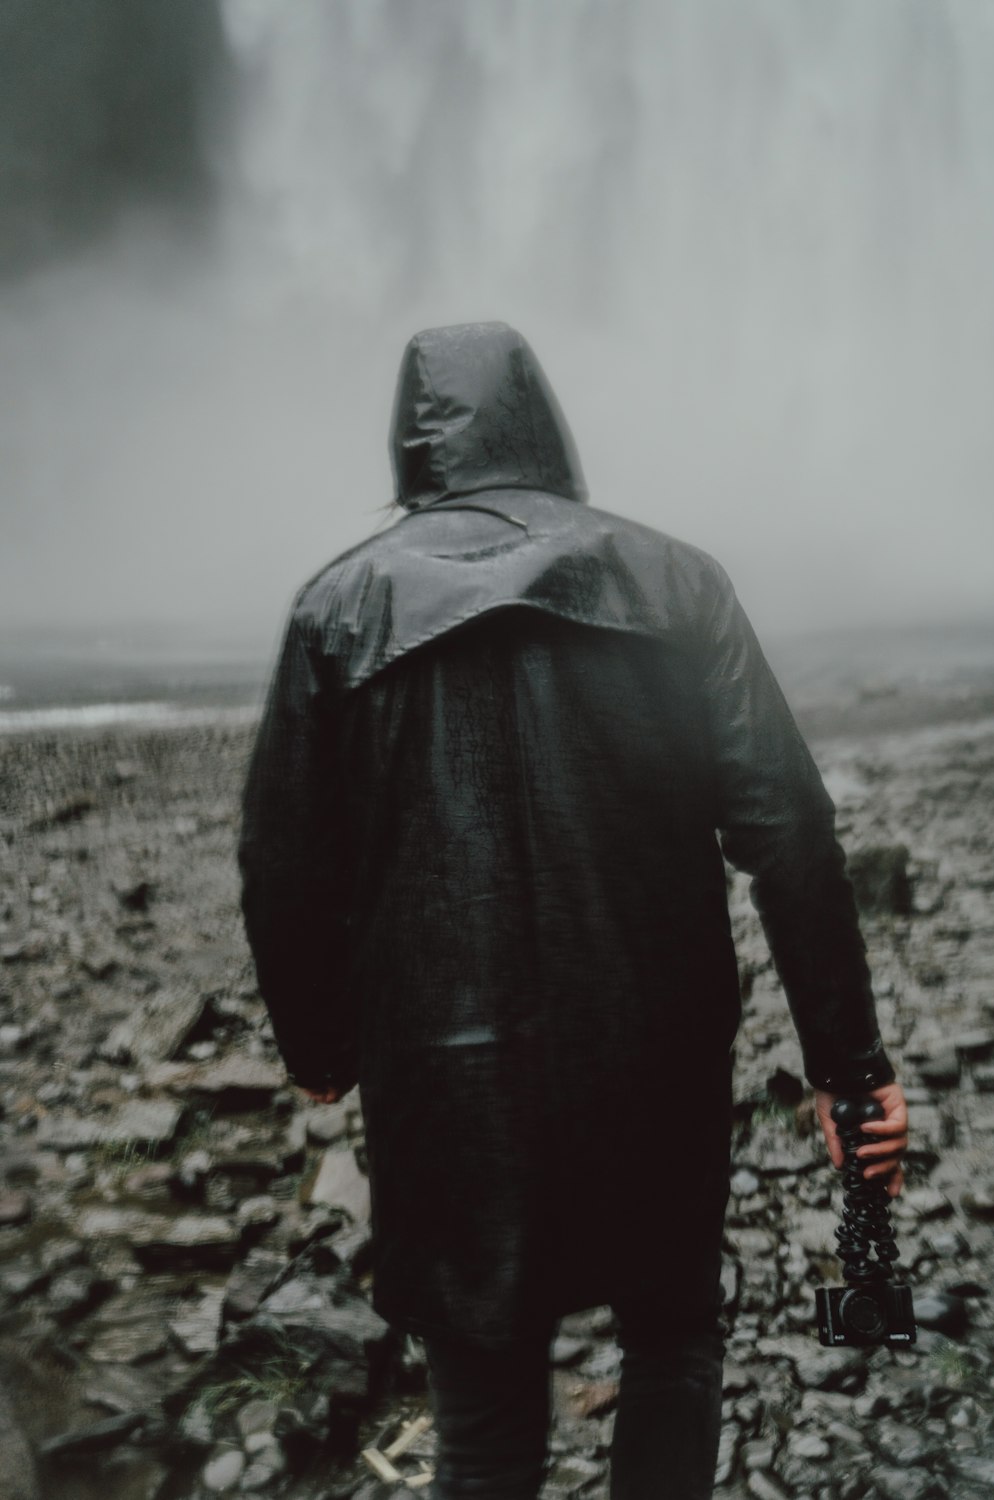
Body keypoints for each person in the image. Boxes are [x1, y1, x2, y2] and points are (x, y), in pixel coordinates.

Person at [239, 321, 907, 1500]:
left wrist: (321, 1052)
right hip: (652, 1056)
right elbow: (791, 837)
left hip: (446, 1083)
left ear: (413, 442)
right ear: (547, 424)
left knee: (486, 1420)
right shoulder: (674, 580)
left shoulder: (337, 611)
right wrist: (850, 1069)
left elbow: (283, 865)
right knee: (671, 1340)